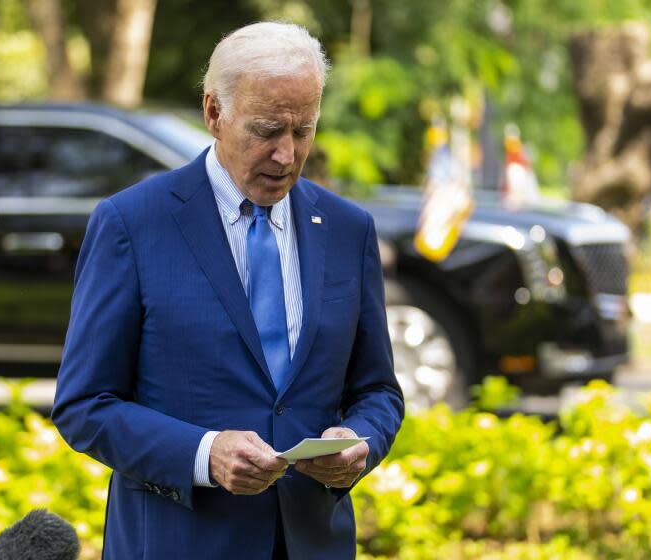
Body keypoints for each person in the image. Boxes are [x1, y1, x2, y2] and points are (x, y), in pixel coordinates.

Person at [52, 22, 403, 560]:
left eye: (303, 130)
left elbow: (378, 391)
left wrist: (359, 441)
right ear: (214, 112)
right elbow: (84, 404)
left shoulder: (347, 229)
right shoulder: (131, 223)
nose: (287, 155)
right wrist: (203, 453)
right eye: (266, 130)